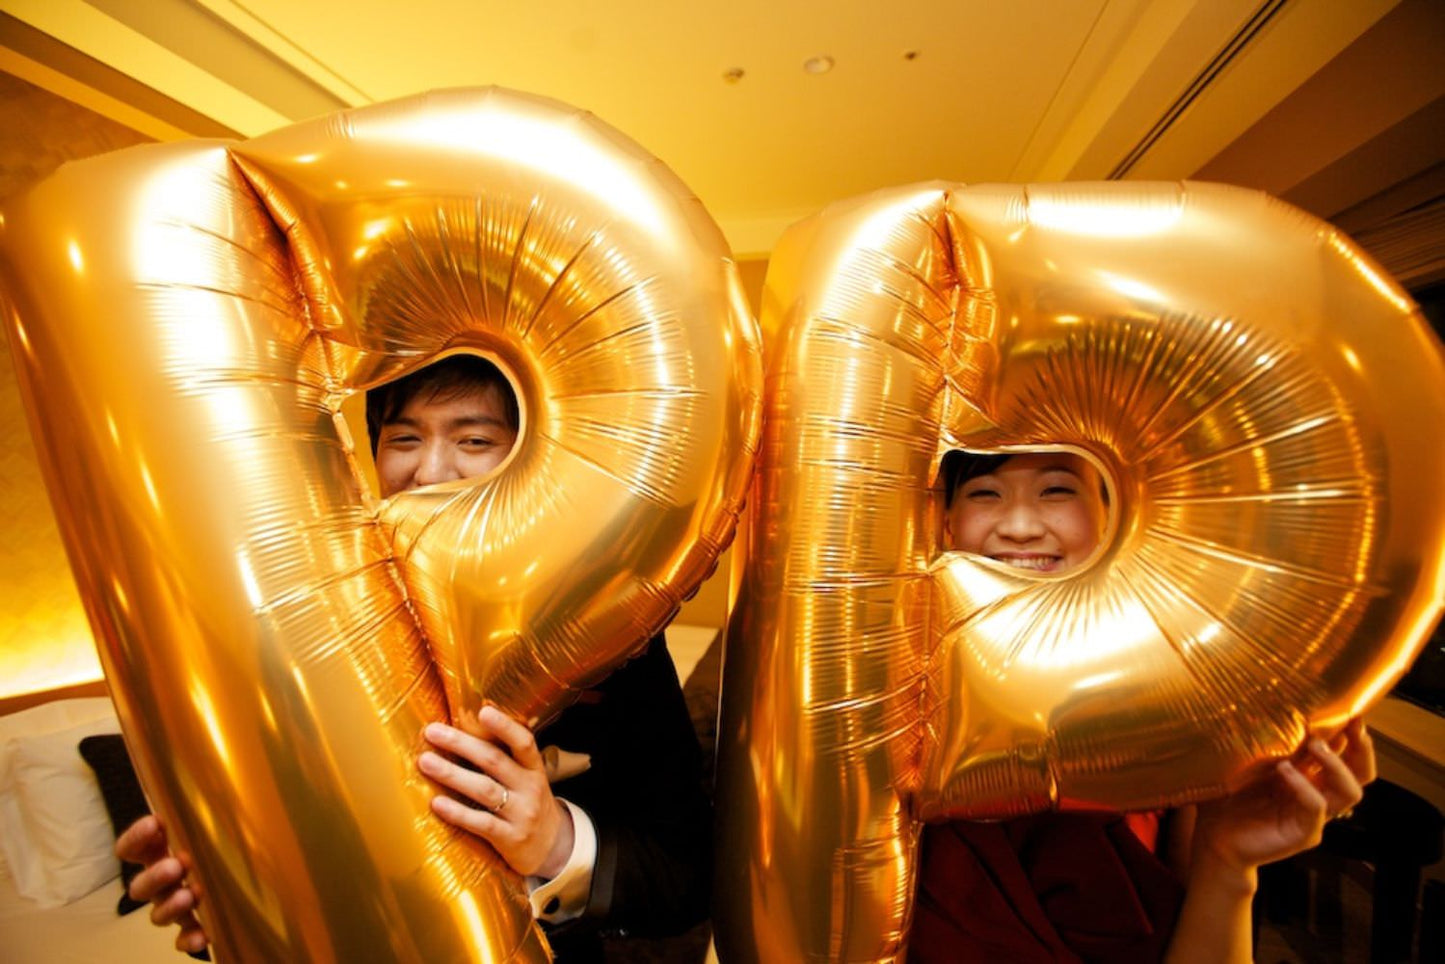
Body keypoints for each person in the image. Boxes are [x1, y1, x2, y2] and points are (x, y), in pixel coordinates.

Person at [115, 355, 712, 962]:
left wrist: (555, 844)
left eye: (473, 439)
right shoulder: (292, 618)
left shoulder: (609, 627)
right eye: (403, 438)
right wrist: (218, 890)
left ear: (532, 458)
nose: (429, 471)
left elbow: (683, 880)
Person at [908, 451, 1376, 964]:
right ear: (946, 521)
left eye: (1057, 490)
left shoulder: (1169, 708)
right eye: (985, 494)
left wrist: (1229, 862)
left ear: (1115, 518)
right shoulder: (897, 687)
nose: (1019, 527)